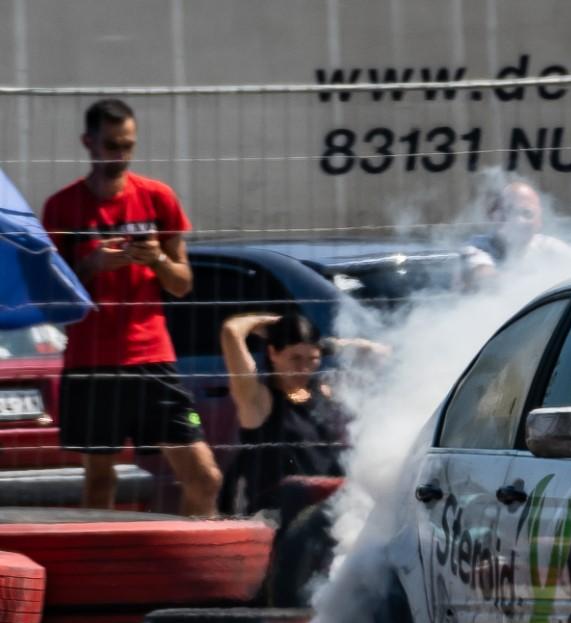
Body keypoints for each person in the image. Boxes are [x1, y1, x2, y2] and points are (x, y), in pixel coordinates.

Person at [42, 98, 222, 515]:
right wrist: (91, 265)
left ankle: (195, 554)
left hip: (152, 359)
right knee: (100, 482)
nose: (121, 155)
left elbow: (182, 284)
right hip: (92, 363)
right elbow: (51, 297)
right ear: (88, 142)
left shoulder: (157, 198)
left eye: (128, 145)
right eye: (112, 145)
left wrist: (156, 259)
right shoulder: (63, 206)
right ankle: (103, 557)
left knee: (204, 476)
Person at [218, 312, 345, 515]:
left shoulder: (322, 391)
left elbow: (373, 353)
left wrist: (330, 343)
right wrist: (271, 321)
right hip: (277, 517)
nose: (303, 368)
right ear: (272, 354)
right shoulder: (258, 400)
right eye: (295, 358)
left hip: (326, 510)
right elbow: (231, 330)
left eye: (312, 359)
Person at [459, 180, 571, 290]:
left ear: (539, 221)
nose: (518, 221)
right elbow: (486, 281)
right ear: (494, 217)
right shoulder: (475, 248)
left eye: (527, 213)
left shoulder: (551, 248)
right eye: (508, 212)